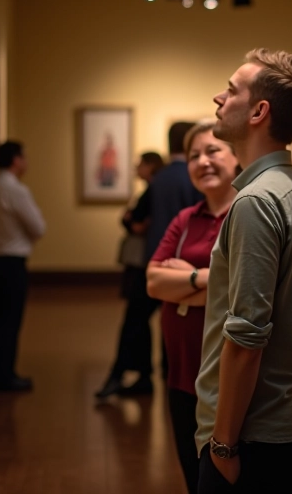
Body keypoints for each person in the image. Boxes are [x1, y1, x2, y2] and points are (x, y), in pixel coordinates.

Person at [194, 48, 292, 494]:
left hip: (253, 437)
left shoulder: (256, 202)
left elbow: (247, 339)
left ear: (259, 111)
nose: (219, 97)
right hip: (291, 425)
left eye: (231, 90)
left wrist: (224, 446)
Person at [147, 121, 240, 494]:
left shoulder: (247, 215)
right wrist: (204, 280)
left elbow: (241, 292)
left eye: (213, 150)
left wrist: (184, 280)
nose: (203, 161)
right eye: (194, 155)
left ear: (237, 157)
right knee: (193, 477)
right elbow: (153, 282)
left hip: (227, 379)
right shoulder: (185, 220)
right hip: (182, 374)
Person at [97, 151, 164, 399]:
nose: (137, 169)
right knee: (140, 320)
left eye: (140, 165)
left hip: (143, 264)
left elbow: (137, 223)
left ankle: (121, 374)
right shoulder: (152, 190)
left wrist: (128, 220)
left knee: (134, 319)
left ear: (151, 166)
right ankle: (143, 375)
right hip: (142, 262)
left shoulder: (153, 190)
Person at [0, 140, 46, 392]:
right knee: (10, 320)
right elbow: (38, 227)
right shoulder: (16, 190)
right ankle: (6, 376)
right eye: (24, 157)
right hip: (13, 262)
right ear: (15, 160)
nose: (27, 162)